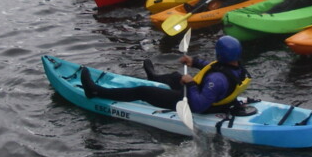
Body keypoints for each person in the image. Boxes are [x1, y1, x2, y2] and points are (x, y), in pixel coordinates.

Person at [80, 36, 250, 114]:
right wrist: (195, 62)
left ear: (220, 54)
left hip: (193, 103)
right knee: (176, 76)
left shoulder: (216, 80)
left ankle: (95, 91)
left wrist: (190, 84)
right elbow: (213, 68)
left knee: (143, 92)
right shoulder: (237, 67)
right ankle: (155, 78)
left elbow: (199, 106)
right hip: (209, 95)